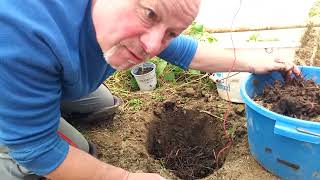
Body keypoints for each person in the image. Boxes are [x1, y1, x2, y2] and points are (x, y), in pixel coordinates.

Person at [0, 0, 300, 179]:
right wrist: (124, 177)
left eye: (169, 32)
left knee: (104, 105)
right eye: (149, 14)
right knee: (76, 152)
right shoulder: (22, 36)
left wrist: (249, 60)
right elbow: (39, 151)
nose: (153, 47)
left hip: (32, 73)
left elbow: (181, 50)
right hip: (9, 76)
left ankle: (36, 97)